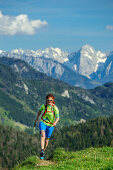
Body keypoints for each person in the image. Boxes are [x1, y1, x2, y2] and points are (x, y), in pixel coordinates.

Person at [34, 94, 59, 159]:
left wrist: (55, 123)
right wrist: (37, 118)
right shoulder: (44, 106)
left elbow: (58, 117)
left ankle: (43, 151)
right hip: (43, 122)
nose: (49, 101)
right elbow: (39, 111)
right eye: (48, 100)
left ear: (53, 101)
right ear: (46, 100)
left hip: (50, 125)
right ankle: (42, 150)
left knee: (47, 140)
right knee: (43, 135)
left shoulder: (55, 108)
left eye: (51, 100)